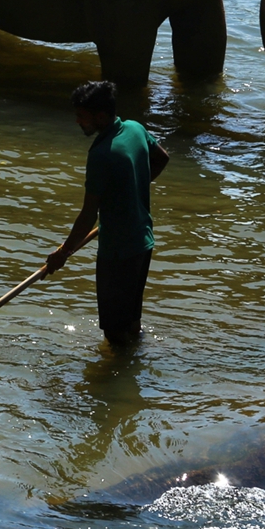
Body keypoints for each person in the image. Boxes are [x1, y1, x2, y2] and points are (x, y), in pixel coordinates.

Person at [44, 81, 168, 346]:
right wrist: (131, 190)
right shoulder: (135, 128)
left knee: (114, 333)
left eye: (81, 116)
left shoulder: (101, 155)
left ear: (100, 116)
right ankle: (136, 370)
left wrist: (62, 253)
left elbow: (89, 215)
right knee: (133, 320)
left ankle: (118, 378)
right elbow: (162, 159)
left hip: (118, 252)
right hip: (143, 241)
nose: (77, 121)